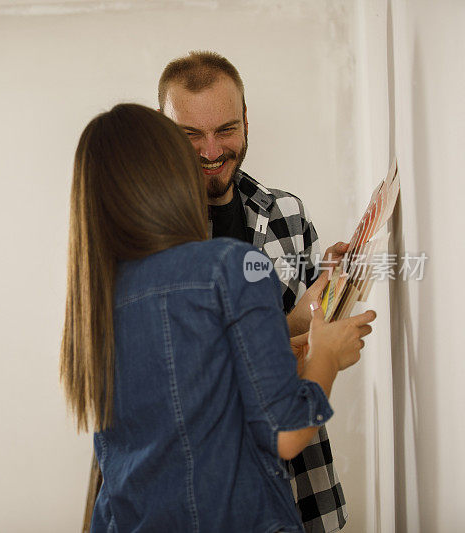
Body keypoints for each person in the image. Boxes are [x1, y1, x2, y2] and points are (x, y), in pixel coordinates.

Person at [61, 103, 375, 532]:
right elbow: (286, 435)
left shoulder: (96, 301)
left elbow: (187, 402)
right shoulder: (231, 265)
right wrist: (328, 357)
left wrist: (295, 336)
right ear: (173, 175)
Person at [158, 51, 348, 531]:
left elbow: (294, 321)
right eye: (191, 135)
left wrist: (326, 291)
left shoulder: (285, 212)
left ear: (246, 122)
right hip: (202, 496)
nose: (210, 151)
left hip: (295, 487)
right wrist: (314, 353)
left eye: (225, 130)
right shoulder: (152, 235)